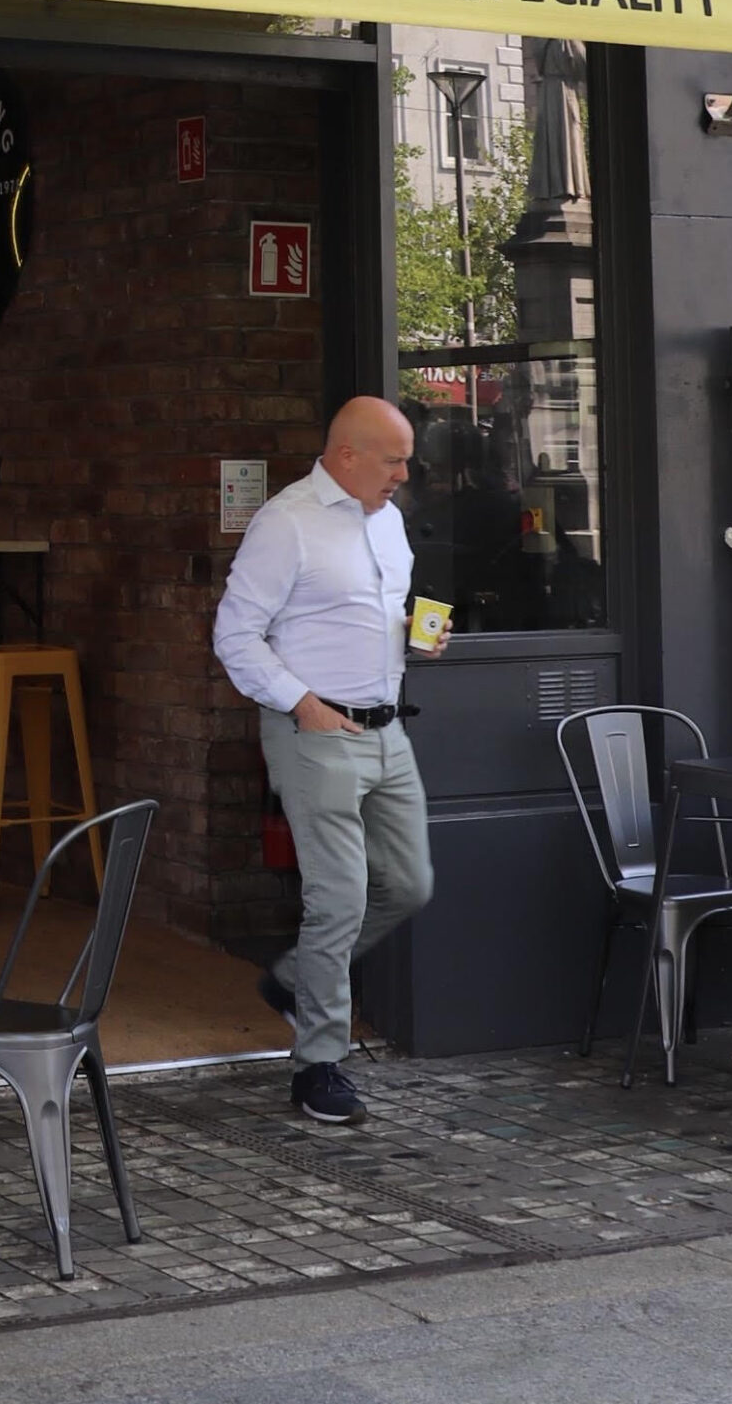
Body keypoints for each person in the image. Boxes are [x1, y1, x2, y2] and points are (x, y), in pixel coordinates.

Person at [213, 395, 444, 1128]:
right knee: (339, 897)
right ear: (347, 455)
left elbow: (369, 616)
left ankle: (294, 979)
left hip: (386, 728)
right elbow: (234, 634)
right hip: (314, 730)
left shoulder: (388, 520)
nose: (404, 474)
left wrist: (416, 637)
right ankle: (318, 1065)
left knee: (409, 884)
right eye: (394, 460)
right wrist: (302, 703)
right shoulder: (286, 522)